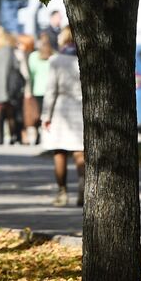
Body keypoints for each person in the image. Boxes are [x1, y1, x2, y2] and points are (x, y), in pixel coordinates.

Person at [42, 27, 85, 206]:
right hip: (82, 108)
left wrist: (46, 115)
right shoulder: (86, 57)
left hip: (61, 110)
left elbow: (51, 90)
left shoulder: (56, 60)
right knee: (81, 152)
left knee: (59, 151)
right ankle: (83, 191)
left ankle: (62, 192)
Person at [27, 33, 54, 146]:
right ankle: (47, 135)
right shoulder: (54, 56)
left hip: (38, 89)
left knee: (38, 113)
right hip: (50, 89)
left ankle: (38, 135)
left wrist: (30, 88)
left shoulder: (33, 56)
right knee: (48, 113)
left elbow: (31, 74)